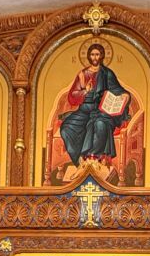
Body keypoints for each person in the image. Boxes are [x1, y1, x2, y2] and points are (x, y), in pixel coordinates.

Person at [56, 43, 132, 173]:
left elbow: (118, 90)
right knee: (66, 128)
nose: (95, 57)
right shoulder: (82, 74)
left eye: (97, 54)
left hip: (101, 110)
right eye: (92, 54)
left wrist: (125, 95)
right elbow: (72, 96)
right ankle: (79, 161)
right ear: (88, 56)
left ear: (101, 56)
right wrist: (85, 91)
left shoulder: (107, 73)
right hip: (84, 110)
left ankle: (93, 160)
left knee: (99, 124)